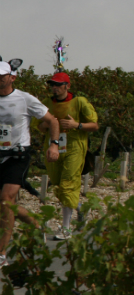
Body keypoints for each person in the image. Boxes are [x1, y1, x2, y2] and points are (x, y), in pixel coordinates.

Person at [1, 60, 60, 267]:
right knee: (7, 206)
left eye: (2, 76)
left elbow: (53, 121)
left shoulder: (24, 99)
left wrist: (54, 146)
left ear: (12, 77)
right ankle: (36, 225)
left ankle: (1, 254)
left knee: (6, 199)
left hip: (17, 156)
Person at [38, 72, 99, 240]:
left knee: (68, 186)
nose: (55, 88)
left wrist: (76, 125)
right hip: (53, 148)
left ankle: (66, 229)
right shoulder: (46, 104)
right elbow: (38, 126)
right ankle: (79, 208)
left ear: (67, 86)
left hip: (75, 148)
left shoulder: (80, 102)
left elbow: (94, 125)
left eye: (58, 85)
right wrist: (47, 123)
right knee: (58, 185)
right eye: (52, 85)